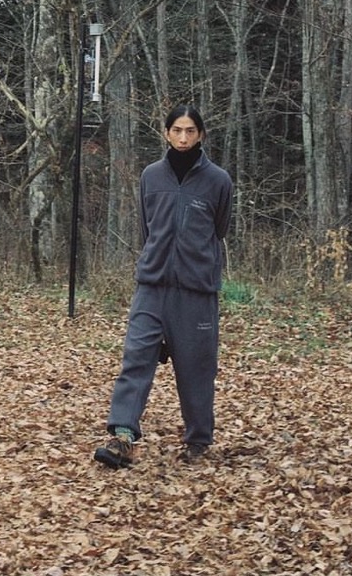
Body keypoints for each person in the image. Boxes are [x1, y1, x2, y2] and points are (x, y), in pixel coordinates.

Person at [94, 105, 233, 468]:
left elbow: (219, 230)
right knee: (136, 358)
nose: (183, 137)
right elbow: (148, 228)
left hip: (196, 292)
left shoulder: (218, 180)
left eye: (190, 131)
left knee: (196, 368)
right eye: (177, 130)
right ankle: (122, 435)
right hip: (152, 286)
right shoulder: (151, 176)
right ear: (166, 133)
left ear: (200, 134)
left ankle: (198, 441)